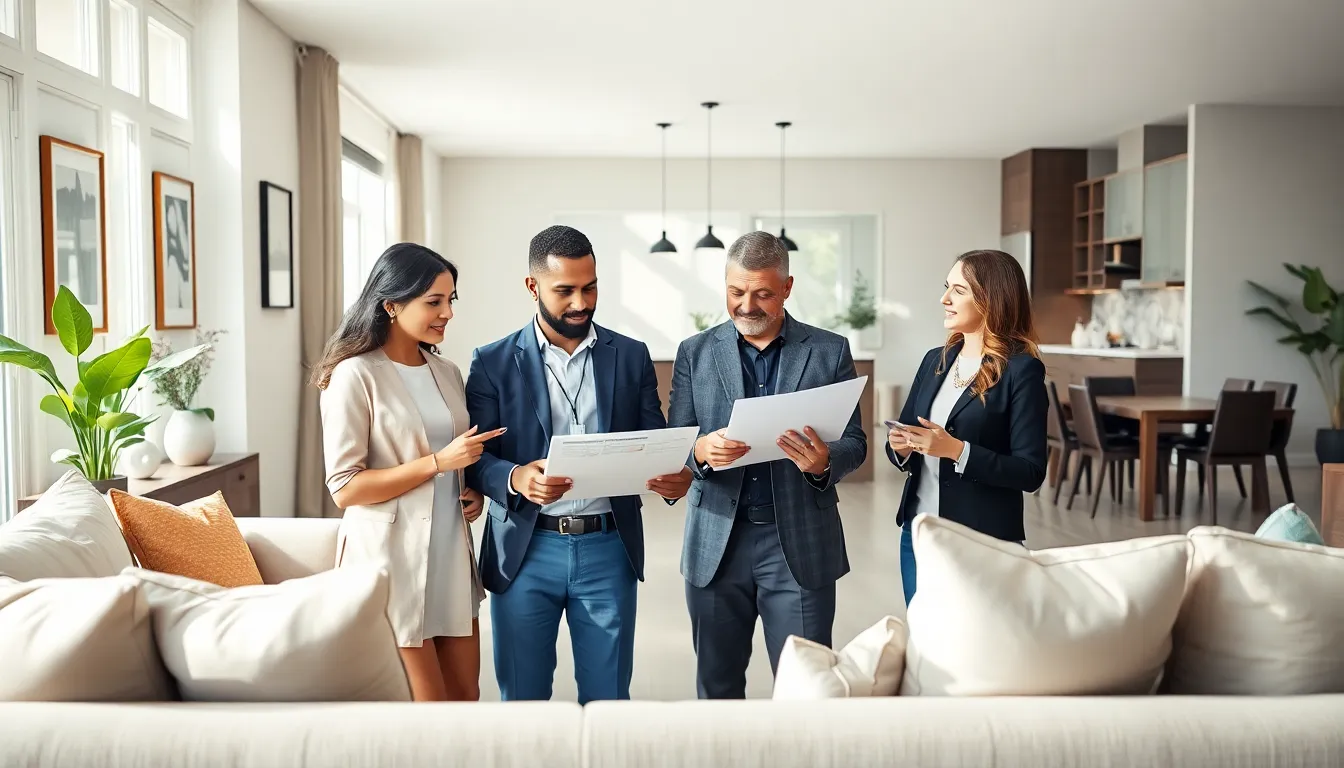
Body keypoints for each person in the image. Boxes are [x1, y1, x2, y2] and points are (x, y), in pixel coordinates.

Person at [464, 225, 692, 704]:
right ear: (533, 287)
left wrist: (675, 479)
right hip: (524, 550)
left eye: (589, 288)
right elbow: (474, 457)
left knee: (609, 699)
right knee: (522, 700)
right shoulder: (492, 361)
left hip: (609, 547)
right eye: (564, 290)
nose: (580, 302)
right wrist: (514, 477)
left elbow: (654, 440)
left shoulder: (630, 356)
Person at [668, 231, 868, 699]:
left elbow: (855, 442)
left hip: (798, 544)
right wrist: (699, 451)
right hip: (717, 543)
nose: (746, 305)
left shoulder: (829, 350)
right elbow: (677, 440)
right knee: (716, 688)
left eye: (762, 293)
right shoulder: (694, 352)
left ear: (787, 287)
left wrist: (823, 462)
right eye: (736, 292)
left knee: (806, 691)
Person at [314, 242, 503, 701]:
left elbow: (454, 458)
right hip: (390, 563)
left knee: (466, 699)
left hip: (450, 558)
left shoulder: (448, 371)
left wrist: (469, 489)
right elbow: (345, 488)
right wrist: (438, 464)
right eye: (434, 301)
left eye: (450, 300)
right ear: (392, 305)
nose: (447, 313)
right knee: (427, 711)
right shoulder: (354, 375)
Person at [887, 249, 1048, 606]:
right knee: (924, 642)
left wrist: (957, 451)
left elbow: (1031, 471)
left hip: (982, 539)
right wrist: (900, 446)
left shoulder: (1022, 371)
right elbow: (908, 434)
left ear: (991, 299)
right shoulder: (936, 360)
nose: (944, 299)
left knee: (978, 649)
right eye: (947, 288)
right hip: (919, 530)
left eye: (958, 290)